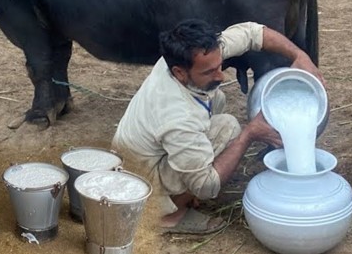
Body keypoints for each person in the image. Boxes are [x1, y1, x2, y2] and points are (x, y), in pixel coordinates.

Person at [111, 20, 323, 234]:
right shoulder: (179, 118)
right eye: (209, 72)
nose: (221, 75)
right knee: (229, 128)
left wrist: (299, 55)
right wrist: (249, 135)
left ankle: (184, 178)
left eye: (219, 65)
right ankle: (167, 214)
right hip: (138, 180)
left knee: (217, 97)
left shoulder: (191, 56)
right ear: (180, 73)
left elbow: (253, 33)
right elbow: (206, 187)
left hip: (142, 151)